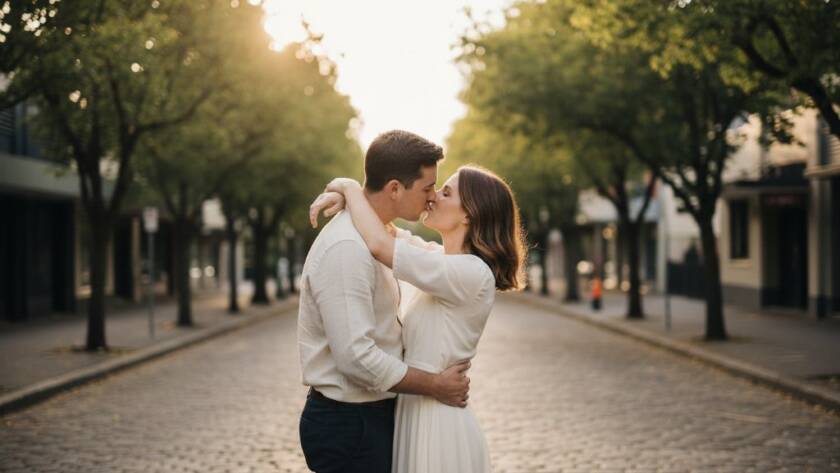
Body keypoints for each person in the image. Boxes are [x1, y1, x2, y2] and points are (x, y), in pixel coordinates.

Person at [310, 163, 527, 473]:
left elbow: (379, 244)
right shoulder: (440, 260)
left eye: (445, 192)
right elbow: (384, 227)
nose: (433, 197)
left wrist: (348, 187)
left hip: (438, 420)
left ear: (469, 214)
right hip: (417, 410)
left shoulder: (470, 272)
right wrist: (355, 198)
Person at [297, 130, 472, 473]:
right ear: (394, 188)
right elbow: (356, 359)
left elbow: (433, 257)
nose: (432, 197)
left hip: (369, 418)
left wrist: (348, 189)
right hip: (349, 425)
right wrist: (434, 385)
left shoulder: (382, 234)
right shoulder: (347, 249)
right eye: (426, 188)